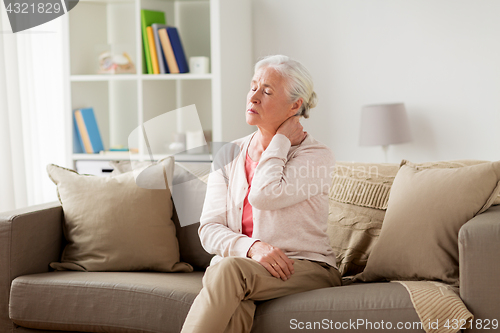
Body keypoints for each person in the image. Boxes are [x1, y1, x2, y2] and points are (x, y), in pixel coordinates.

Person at [181, 55, 340, 333]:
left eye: (266, 91)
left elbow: (264, 195)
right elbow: (208, 229)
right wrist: (252, 248)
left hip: (306, 267)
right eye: (253, 86)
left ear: (295, 106)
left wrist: (279, 141)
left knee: (227, 271)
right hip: (246, 268)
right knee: (232, 297)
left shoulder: (316, 156)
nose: (253, 97)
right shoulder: (229, 153)